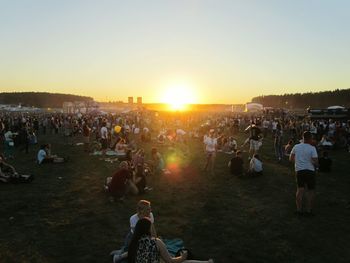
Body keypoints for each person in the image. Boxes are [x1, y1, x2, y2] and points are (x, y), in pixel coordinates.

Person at [128, 218, 214, 263]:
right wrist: (182, 257)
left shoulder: (133, 243)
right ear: (148, 229)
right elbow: (170, 261)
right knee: (183, 262)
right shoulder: (156, 242)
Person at [289, 131, 318, 216]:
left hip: (299, 170)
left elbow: (290, 159)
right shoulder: (312, 148)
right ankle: (308, 211)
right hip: (310, 171)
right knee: (310, 191)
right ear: (310, 138)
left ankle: (299, 210)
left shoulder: (296, 146)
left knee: (300, 190)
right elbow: (316, 162)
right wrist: (313, 163)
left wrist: (297, 162)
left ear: (303, 137)